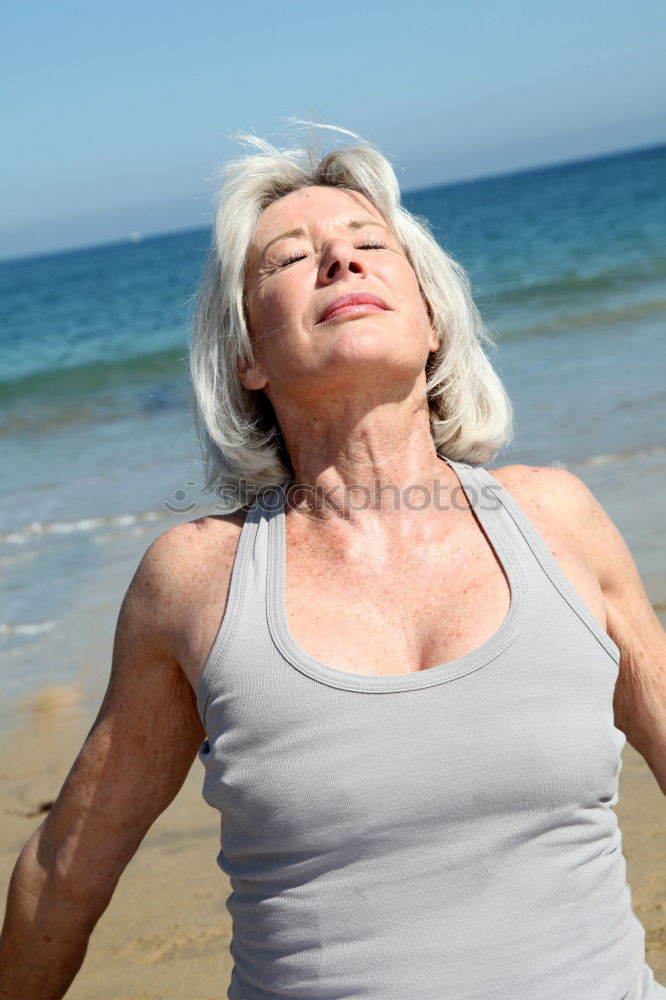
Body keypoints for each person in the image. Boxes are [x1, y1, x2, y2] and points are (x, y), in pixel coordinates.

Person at [1, 127, 665, 1000]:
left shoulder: (557, 517)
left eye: (368, 246)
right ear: (247, 357)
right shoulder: (197, 579)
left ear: (432, 319)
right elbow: (67, 868)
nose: (340, 265)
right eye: (289, 259)